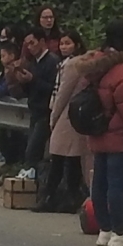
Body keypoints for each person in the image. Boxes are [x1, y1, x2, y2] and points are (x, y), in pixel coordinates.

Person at [80, 21, 123, 246]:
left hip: (97, 130)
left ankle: (105, 229)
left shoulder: (94, 66)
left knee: (99, 183)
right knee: (117, 185)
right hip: (118, 135)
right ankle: (120, 232)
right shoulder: (121, 70)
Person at [40, 29, 90, 212]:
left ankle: (54, 198)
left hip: (66, 115)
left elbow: (63, 93)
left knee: (61, 158)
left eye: (68, 43)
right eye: (62, 43)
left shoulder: (71, 65)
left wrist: (53, 116)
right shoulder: (79, 62)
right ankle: (67, 197)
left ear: (76, 44)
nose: (64, 47)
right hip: (75, 114)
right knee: (69, 159)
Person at [8, 28, 61, 176]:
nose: (30, 47)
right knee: (31, 149)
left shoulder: (52, 62)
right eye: (27, 44)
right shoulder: (33, 63)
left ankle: (35, 182)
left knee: (33, 150)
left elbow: (53, 88)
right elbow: (30, 90)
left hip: (45, 111)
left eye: (32, 43)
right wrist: (23, 82)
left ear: (42, 42)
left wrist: (33, 80)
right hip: (35, 110)